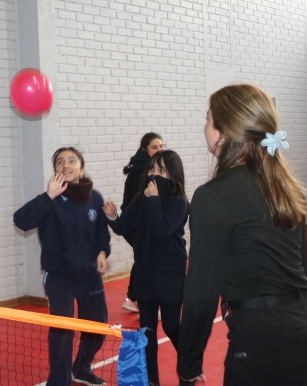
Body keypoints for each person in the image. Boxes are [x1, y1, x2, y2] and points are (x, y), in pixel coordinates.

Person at [177, 84, 307, 386]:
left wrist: (189, 363)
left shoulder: (212, 196)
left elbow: (201, 291)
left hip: (266, 344)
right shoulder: (284, 186)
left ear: (223, 132)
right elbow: (303, 271)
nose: (204, 126)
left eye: (208, 119)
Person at [14, 147, 111, 386]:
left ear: (82, 168)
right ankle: (58, 382)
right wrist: (48, 197)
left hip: (89, 275)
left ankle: (81, 368)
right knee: (62, 332)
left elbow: (101, 233)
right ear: (55, 170)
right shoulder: (49, 200)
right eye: (60, 162)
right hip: (59, 277)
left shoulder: (95, 198)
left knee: (97, 329)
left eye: (71, 160)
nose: (65, 165)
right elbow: (21, 221)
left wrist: (102, 252)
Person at [104, 150, 188, 386]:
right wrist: (112, 216)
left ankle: (189, 363)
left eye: (162, 170)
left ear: (174, 175)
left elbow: (161, 230)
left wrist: (153, 201)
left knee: (172, 325)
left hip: (170, 273)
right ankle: (152, 379)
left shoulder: (179, 203)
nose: (155, 174)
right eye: (152, 169)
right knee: (147, 330)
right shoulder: (141, 198)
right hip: (145, 271)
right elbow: (123, 226)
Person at [120, 132, 164, 314]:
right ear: (145, 149)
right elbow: (143, 200)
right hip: (134, 221)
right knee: (148, 257)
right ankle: (143, 300)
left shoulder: (146, 165)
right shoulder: (143, 169)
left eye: (161, 146)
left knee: (143, 257)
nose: (159, 150)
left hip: (136, 220)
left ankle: (133, 298)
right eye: (155, 147)